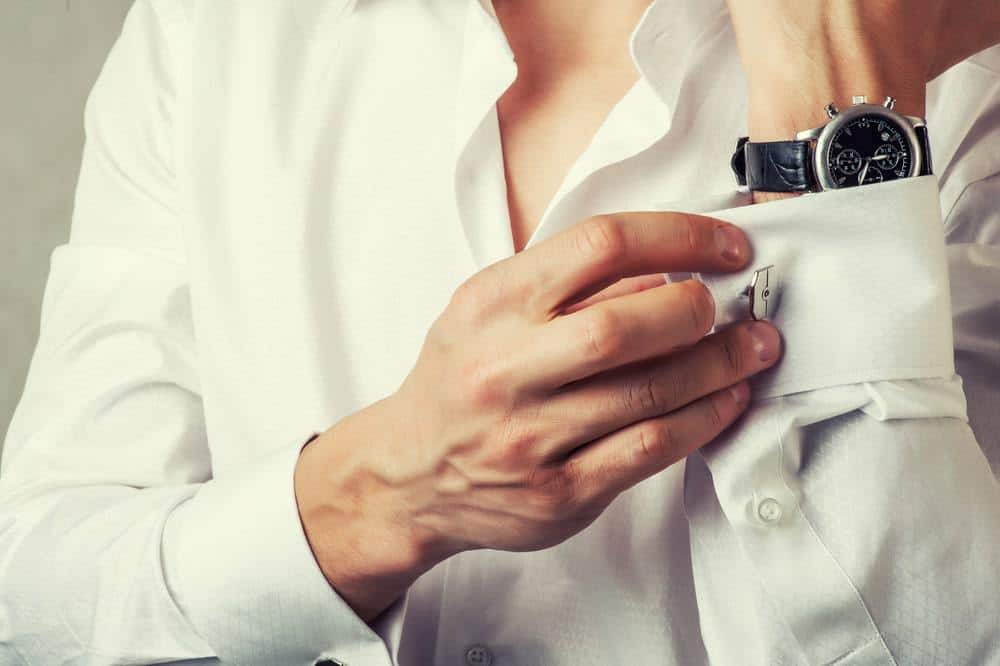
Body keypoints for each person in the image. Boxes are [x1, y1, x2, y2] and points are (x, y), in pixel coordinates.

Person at [1, 0, 999, 664]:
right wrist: (370, 504)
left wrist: (832, 108)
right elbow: (35, 593)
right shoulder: (218, 29)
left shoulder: (975, 80)